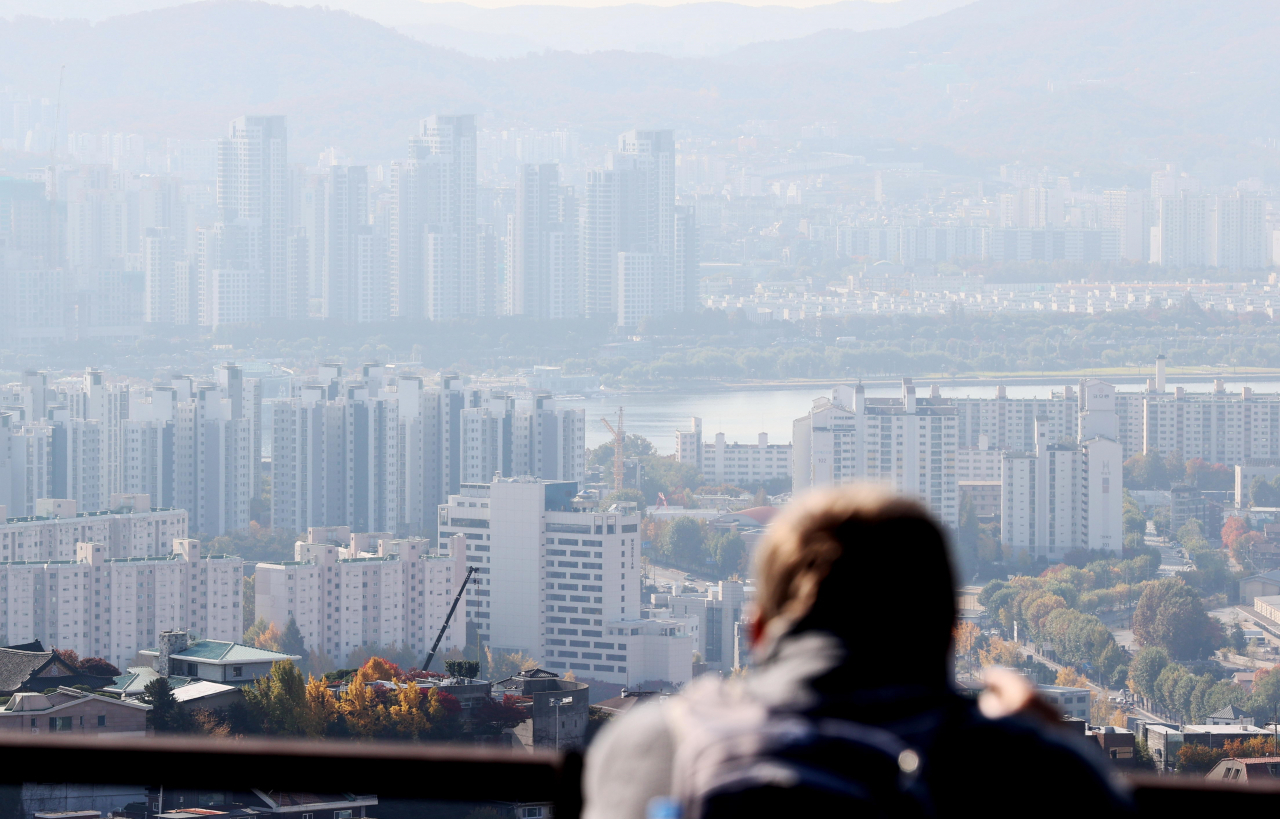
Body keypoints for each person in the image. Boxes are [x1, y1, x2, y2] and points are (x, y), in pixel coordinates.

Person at [583, 484, 1131, 819]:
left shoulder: (649, 745)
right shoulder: (1021, 775)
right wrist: (1046, 741)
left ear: (755, 632)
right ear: (946, 634)